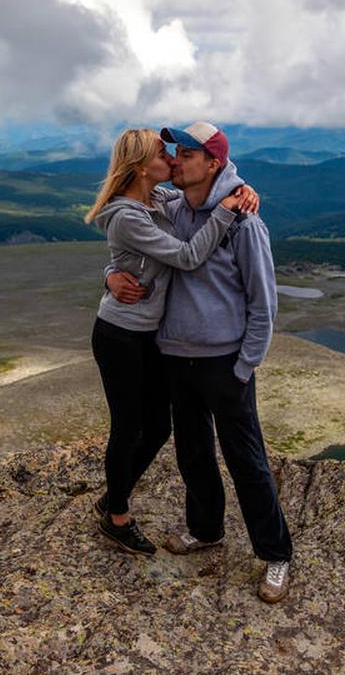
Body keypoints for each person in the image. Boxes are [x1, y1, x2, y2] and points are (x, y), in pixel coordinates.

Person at [106, 121, 293, 604]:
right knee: (192, 452)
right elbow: (129, 240)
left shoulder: (245, 222)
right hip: (175, 356)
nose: (174, 159)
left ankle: (275, 555)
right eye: (172, 151)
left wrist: (245, 365)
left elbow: (263, 301)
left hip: (224, 361)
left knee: (246, 459)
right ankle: (205, 529)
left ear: (212, 164)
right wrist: (110, 275)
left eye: (186, 154)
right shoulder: (170, 206)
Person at [84, 128, 258, 557]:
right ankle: (117, 516)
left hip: (149, 335)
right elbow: (186, 256)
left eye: (177, 153)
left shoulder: (157, 200)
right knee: (128, 425)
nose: (173, 160)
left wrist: (240, 189)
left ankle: (114, 492)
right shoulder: (128, 214)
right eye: (165, 154)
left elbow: (199, 197)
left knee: (160, 425)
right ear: (143, 167)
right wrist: (227, 213)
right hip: (121, 335)